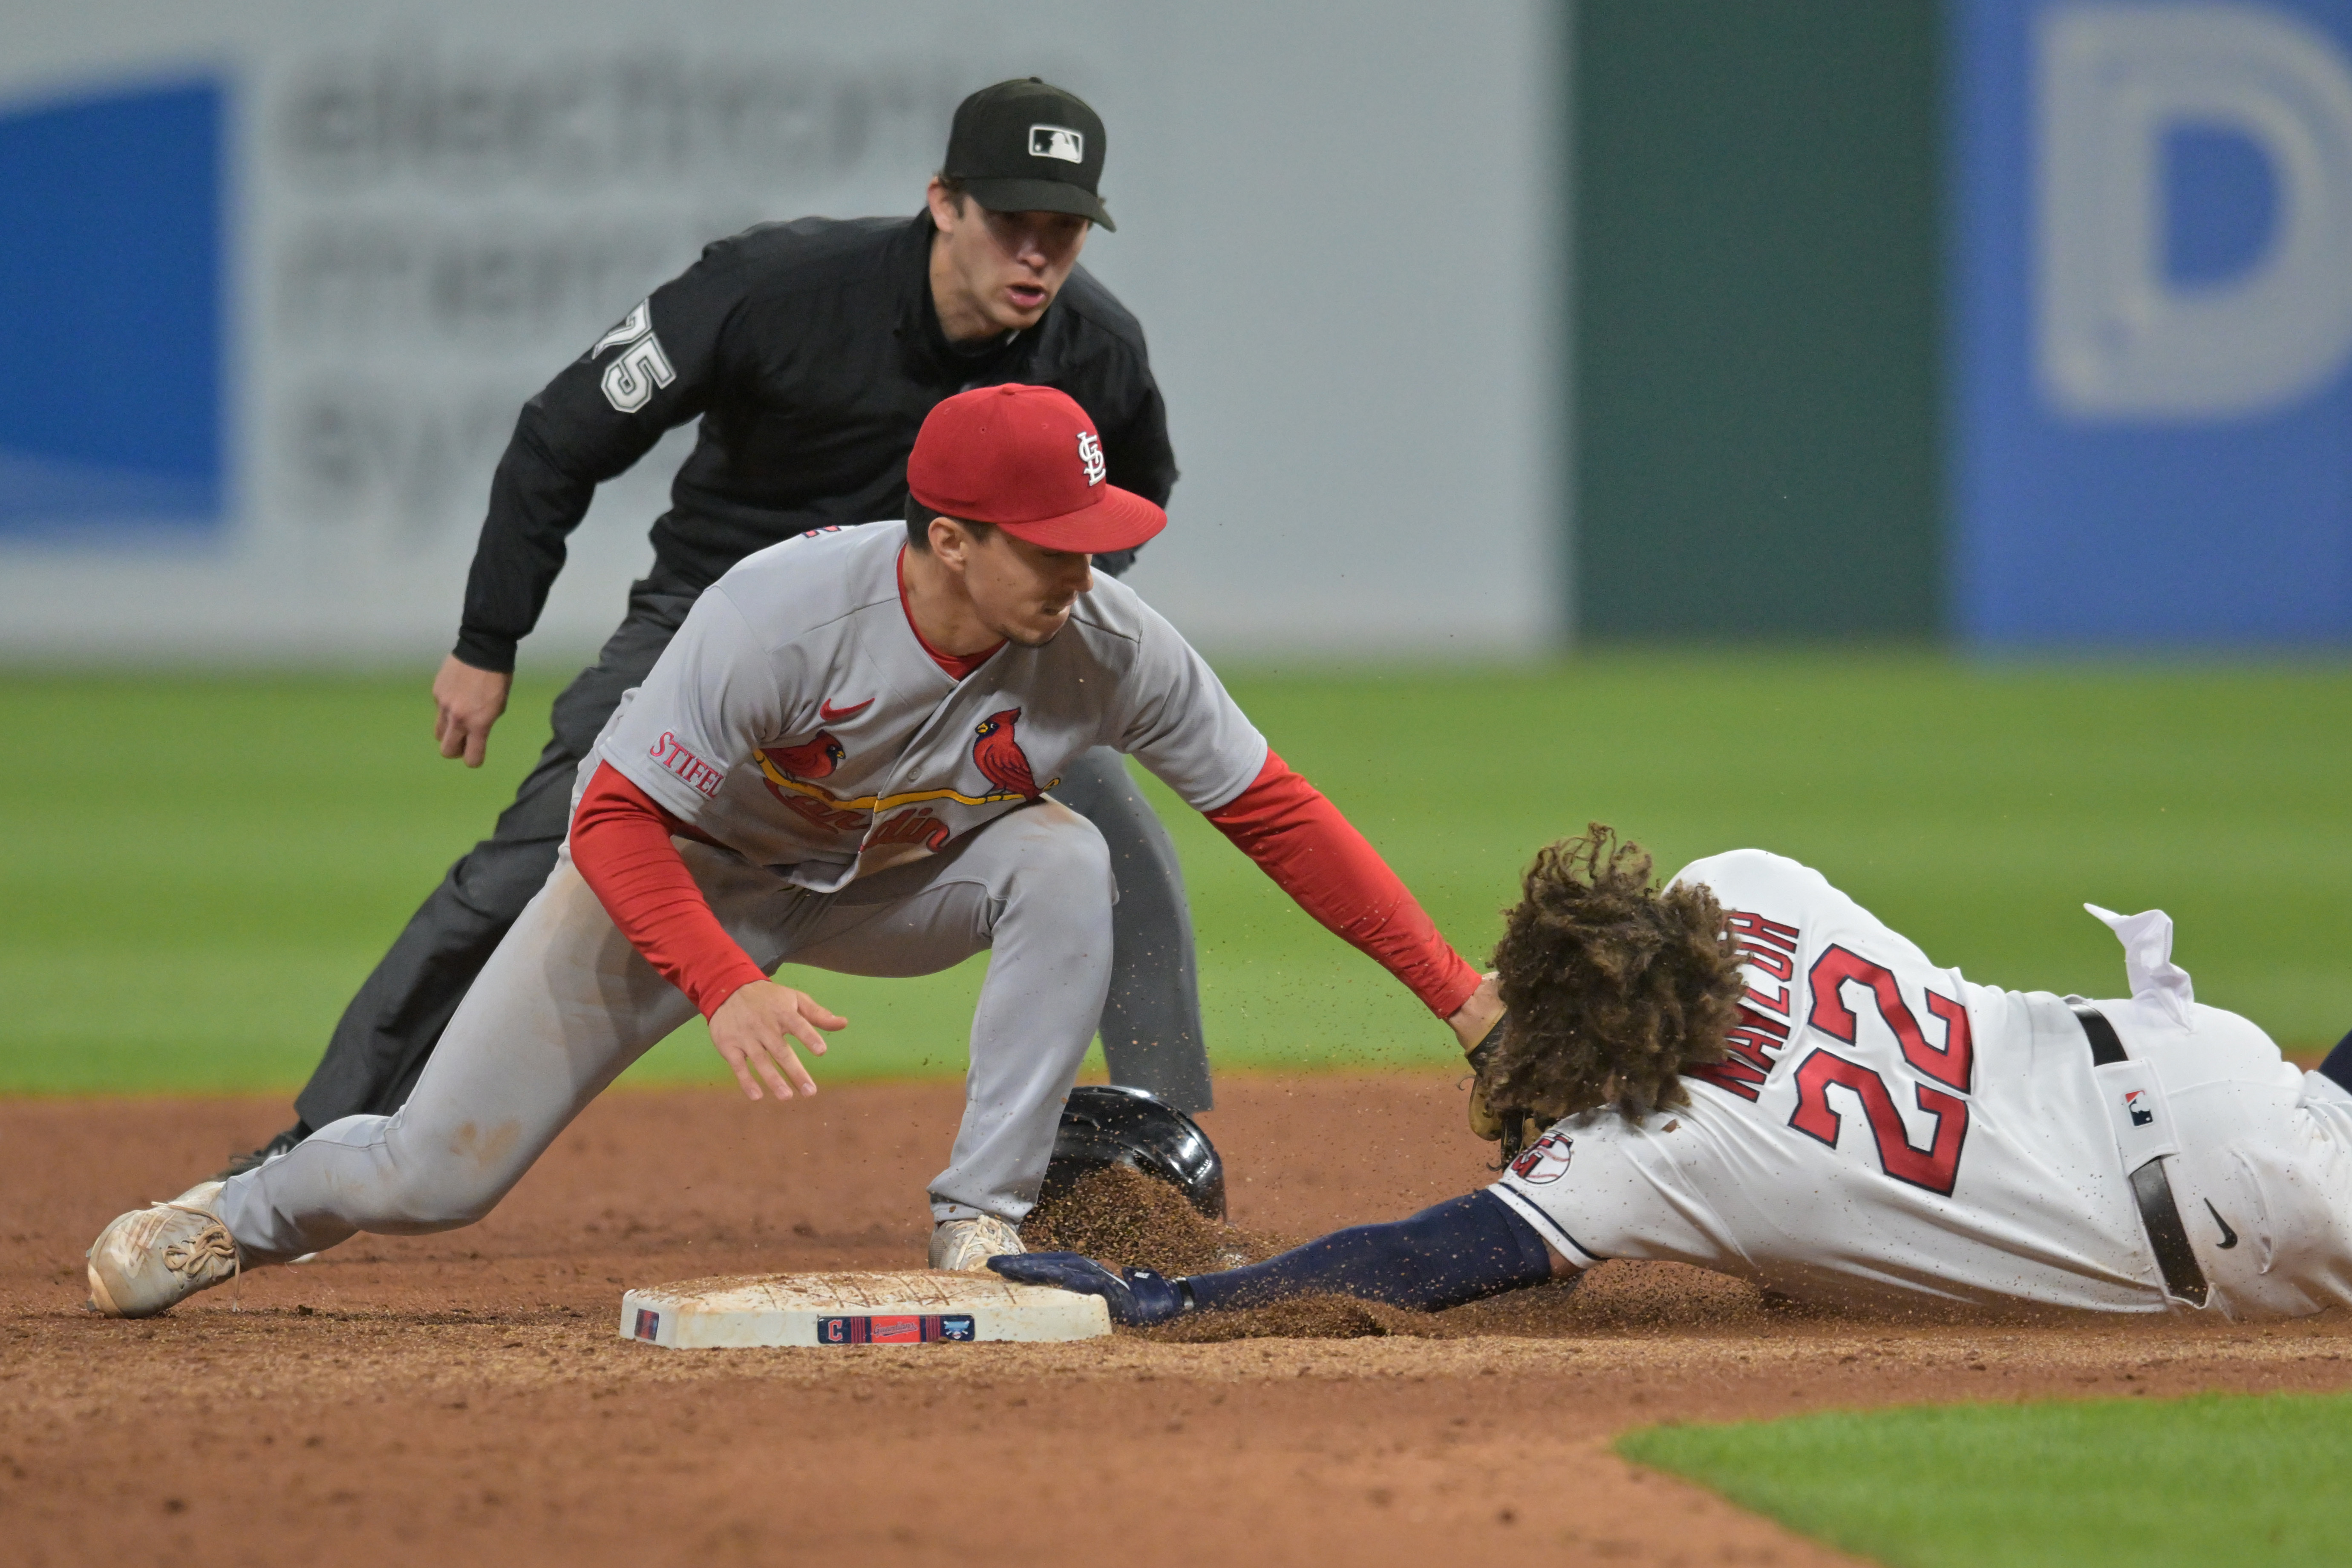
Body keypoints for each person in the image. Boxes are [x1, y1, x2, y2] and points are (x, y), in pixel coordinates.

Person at [83, 383, 1503, 1318]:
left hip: (885, 886)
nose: (1086, 575)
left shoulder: (1107, 648)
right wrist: (721, 983)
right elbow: (615, 819)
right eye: (1052, 547)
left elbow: (1277, 811)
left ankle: (982, 1225)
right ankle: (238, 1211)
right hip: (673, 882)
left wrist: (1460, 996)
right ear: (947, 539)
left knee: (1067, 856)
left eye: (1096, 541)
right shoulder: (782, 616)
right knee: (431, 1180)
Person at [222, 76, 1212, 1178]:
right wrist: (488, 640)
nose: (1037, 253)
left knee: (1114, 835)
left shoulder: (1096, 346)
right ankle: (318, 1140)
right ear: (943, 201)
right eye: (1011, 222)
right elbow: (562, 434)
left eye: (1063, 229)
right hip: (717, 629)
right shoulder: (773, 289)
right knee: (537, 858)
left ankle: (1154, 1139)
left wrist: (1047, 632)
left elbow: (1132, 494)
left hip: (959, 656)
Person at [997, 828, 2352, 1325]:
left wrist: (1176, 1298)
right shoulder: (1743, 884)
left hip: (2231, 1215)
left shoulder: (1656, 1151)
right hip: (2183, 1049)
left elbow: (1414, 1258)